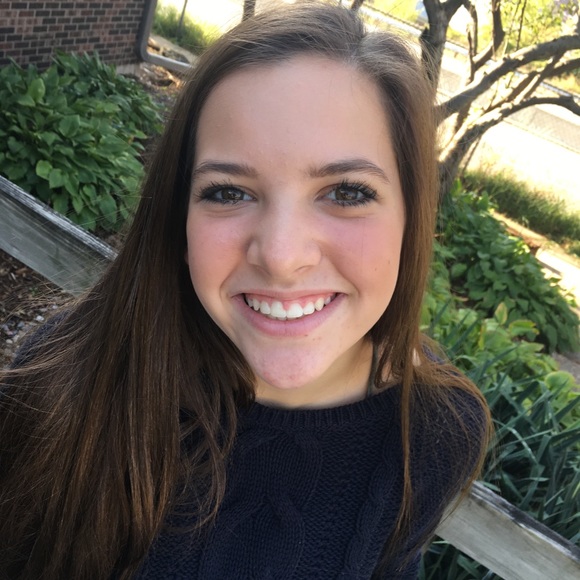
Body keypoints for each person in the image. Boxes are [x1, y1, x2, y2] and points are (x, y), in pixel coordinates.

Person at [0, 2, 492, 578]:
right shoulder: (65, 380)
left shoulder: (432, 432)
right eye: (228, 192)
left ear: (411, 218)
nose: (281, 257)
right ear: (179, 220)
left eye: (347, 192)